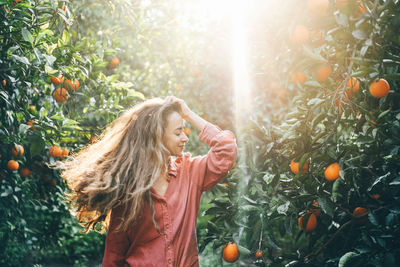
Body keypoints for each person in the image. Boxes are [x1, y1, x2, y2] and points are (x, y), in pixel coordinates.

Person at [56, 96, 237, 267]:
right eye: (178, 132)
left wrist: (188, 114)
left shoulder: (191, 173)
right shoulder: (130, 185)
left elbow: (227, 149)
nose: (185, 138)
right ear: (157, 136)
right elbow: (115, 251)